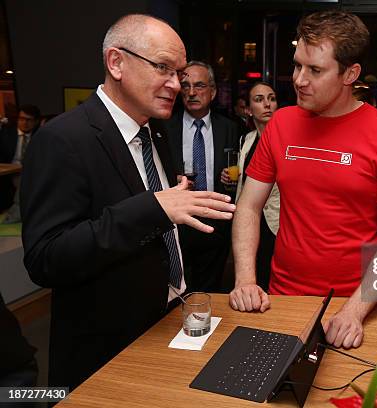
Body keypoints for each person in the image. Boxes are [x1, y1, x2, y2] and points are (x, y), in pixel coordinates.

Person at [19, 14, 235, 391]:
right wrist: (154, 208)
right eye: (163, 68)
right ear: (116, 62)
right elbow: (46, 258)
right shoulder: (62, 139)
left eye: (180, 75)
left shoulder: (156, 133)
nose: (176, 85)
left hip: (168, 324)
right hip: (106, 351)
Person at [229, 11, 377, 349]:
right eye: (298, 65)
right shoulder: (282, 124)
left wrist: (354, 312)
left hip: (355, 302)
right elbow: (248, 206)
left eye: (315, 70)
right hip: (282, 297)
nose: (299, 79)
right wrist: (245, 280)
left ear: (351, 74)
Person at [164, 61, 239, 293]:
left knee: (211, 291)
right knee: (178, 291)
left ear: (213, 92)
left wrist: (232, 180)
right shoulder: (165, 128)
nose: (192, 92)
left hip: (217, 222)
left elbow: (239, 170)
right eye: (185, 86)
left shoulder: (230, 128)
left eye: (199, 85)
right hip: (179, 223)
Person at [221, 82, 280, 291]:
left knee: (275, 279)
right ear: (247, 110)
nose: (267, 104)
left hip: (277, 221)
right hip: (251, 220)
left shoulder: (286, 140)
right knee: (254, 273)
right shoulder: (245, 140)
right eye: (259, 99)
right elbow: (249, 180)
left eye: (272, 98)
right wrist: (232, 178)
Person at [0, 105, 41, 223]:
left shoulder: (40, 135)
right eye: (21, 119)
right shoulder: (5, 133)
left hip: (30, 173)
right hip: (8, 173)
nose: (24, 122)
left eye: (28, 120)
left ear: (36, 121)